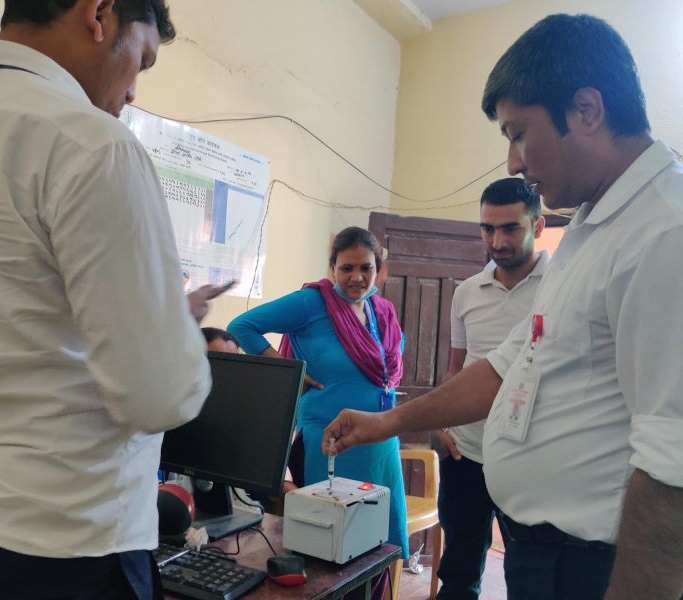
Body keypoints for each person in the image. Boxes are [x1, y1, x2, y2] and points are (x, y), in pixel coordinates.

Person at [323, 14, 683, 600]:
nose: (514, 161)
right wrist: (385, 423)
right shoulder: (594, 226)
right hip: (542, 554)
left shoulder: (664, 232)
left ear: (586, 110)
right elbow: (501, 367)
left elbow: (673, 466)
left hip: (600, 566)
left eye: (518, 132)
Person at [0, 1, 227, 598]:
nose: (133, 91)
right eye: (140, 60)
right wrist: (170, 324)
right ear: (98, 14)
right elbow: (160, 394)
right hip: (68, 549)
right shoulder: (95, 145)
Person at [228, 226, 409, 556]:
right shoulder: (312, 302)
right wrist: (291, 372)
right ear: (332, 268)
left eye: (365, 268)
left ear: (379, 270)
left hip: (380, 440)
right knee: (330, 546)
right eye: (347, 268)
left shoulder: (382, 312)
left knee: (380, 544)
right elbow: (242, 326)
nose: (357, 277)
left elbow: (391, 360)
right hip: (332, 442)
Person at [433, 177, 548, 599]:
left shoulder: (563, 287)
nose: (497, 240)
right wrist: (440, 426)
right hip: (466, 453)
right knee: (459, 571)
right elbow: (456, 368)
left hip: (530, 455)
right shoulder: (465, 293)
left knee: (529, 575)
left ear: (537, 226)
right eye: (487, 228)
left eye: (510, 228)